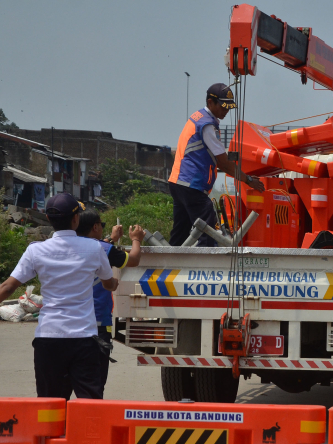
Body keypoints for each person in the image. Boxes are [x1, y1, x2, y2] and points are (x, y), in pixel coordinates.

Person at [0, 193, 119, 400]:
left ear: (48, 219)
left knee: (50, 406)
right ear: (75, 219)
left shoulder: (36, 251)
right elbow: (108, 283)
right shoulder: (94, 248)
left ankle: (49, 434)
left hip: (48, 340)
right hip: (84, 339)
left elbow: (6, 287)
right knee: (90, 405)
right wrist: (112, 283)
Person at [168, 83, 264, 246]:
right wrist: (248, 180)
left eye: (228, 108)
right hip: (192, 185)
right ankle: (207, 267)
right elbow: (225, 164)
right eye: (223, 107)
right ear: (210, 103)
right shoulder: (207, 126)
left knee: (181, 232)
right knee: (207, 229)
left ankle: (169, 265)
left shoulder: (197, 117)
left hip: (178, 182)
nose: (226, 111)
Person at [76, 209, 145, 375]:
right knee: (93, 383)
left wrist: (111, 239)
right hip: (96, 324)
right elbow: (133, 260)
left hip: (66, 325)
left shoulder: (68, 247)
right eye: (102, 225)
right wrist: (136, 240)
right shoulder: (103, 249)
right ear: (95, 227)